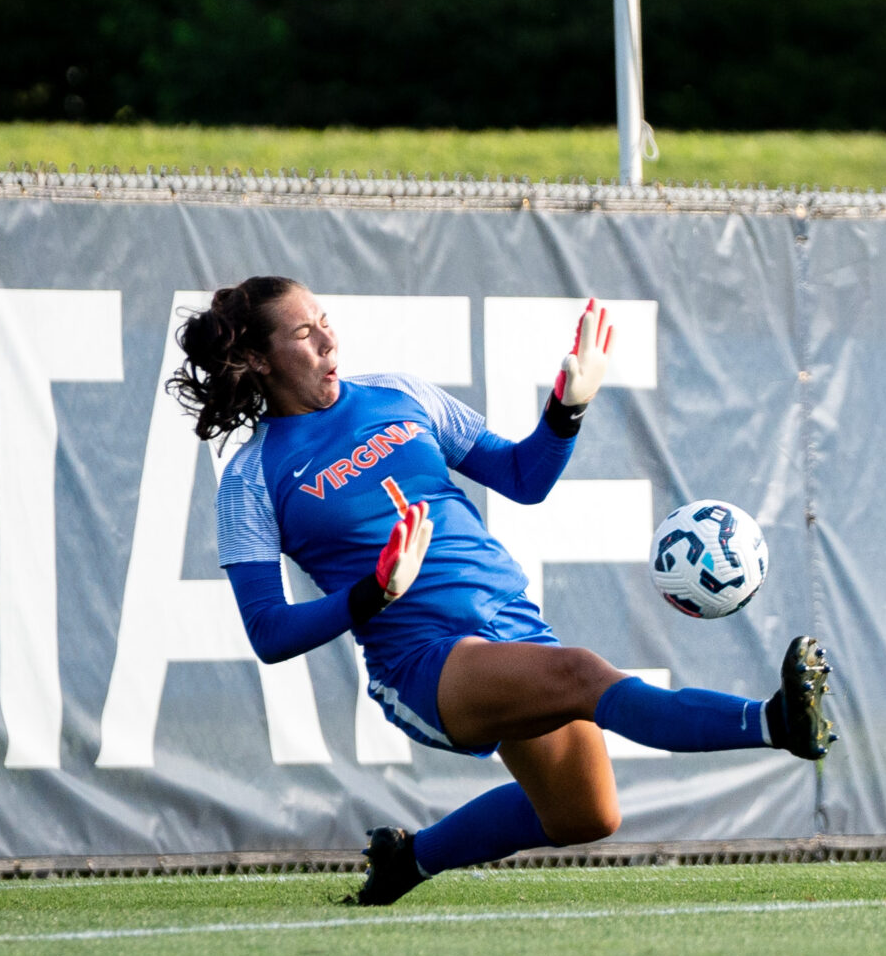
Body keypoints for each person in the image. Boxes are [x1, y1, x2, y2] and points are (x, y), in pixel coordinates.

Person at [175, 277, 835, 907]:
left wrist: (566, 409)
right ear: (258, 359)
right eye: (304, 332)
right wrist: (370, 596)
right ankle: (774, 721)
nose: (328, 341)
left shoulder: (399, 394)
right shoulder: (251, 479)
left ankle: (409, 858)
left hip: (510, 621)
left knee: (586, 813)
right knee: (581, 673)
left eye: (327, 323)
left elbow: (521, 474)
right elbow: (267, 631)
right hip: (421, 660)